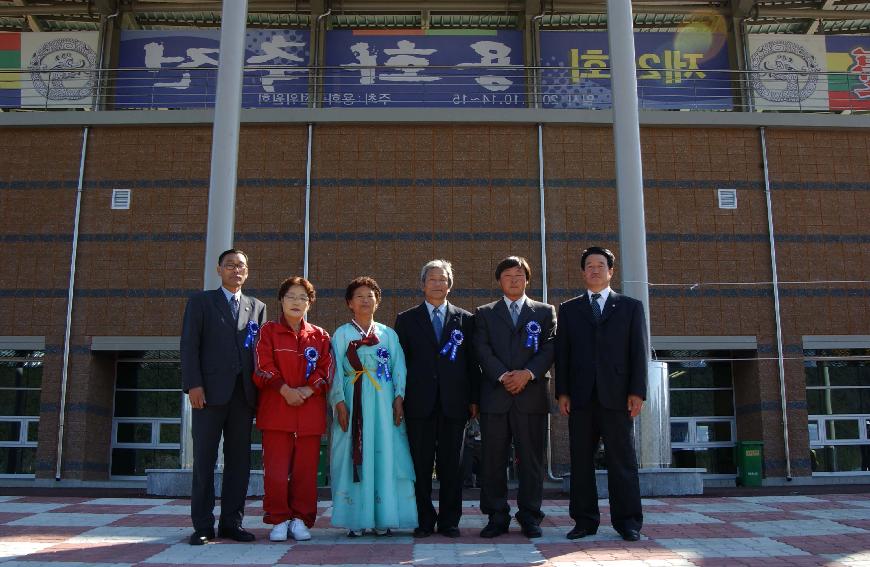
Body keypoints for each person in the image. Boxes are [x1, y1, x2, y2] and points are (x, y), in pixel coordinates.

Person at [555, 246, 648, 542]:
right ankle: (584, 521)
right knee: (581, 461)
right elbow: (563, 354)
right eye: (589, 265)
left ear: (611, 272)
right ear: (583, 273)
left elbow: (638, 352)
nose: (595, 269)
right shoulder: (569, 309)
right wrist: (562, 392)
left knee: (622, 460)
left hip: (618, 395)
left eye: (600, 265)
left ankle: (628, 522)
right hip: (580, 397)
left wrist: (637, 391)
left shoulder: (630, 307)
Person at [180, 248, 268, 545]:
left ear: (248, 271)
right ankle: (203, 525)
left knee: (239, 463)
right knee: (204, 461)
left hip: (243, 397)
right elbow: (189, 346)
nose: (236, 270)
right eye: (229, 265)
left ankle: (232, 523)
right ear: (219, 270)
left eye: (241, 265)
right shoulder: (201, 302)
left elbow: (259, 354)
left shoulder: (257, 307)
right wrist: (193, 384)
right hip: (207, 395)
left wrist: (260, 394)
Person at [395, 259, 481, 538]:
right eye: (432, 279)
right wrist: (399, 399)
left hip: (455, 404)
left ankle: (449, 521)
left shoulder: (466, 320)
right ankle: (423, 519)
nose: (437, 284)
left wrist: (474, 399)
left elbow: (472, 364)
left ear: (450, 284)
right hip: (419, 404)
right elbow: (400, 364)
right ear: (422, 284)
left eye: (442, 279)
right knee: (420, 466)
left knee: (451, 467)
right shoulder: (406, 320)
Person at [473, 256, 556, 539]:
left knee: (531, 460)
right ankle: (496, 516)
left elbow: (549, 348)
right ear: (499, 280)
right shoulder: (484, 313)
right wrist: (503, 376)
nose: (514, 279)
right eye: (508, 274)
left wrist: (527, 374)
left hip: (530, 396)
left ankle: (530, 516)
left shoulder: (545, 312)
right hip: (496, 396)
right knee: (493, 460)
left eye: (519, 274)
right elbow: (481, 349)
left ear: (527, 280)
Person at [329, 276, 417, 536]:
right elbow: (333, 370)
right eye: (359, 296)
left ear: (377, 301)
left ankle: (384, 516)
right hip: (353, 399)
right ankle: (356, 518)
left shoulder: (388, 334)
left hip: (383, 402)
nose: (365, 300)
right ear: (349, 303)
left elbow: (398, 366)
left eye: (370, 296)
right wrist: (338, 402)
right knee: (353, 455)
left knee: (386, 454)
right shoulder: (342, 334)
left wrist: (399, 397)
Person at [252, 277, 333, 542]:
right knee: (275, 471)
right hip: (277, 411)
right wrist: (285, 390)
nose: (297, 302)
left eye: (303, 298)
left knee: (306, 472)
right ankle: (278, 518)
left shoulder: (320, 335)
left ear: (310, 303)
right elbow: (263, 365)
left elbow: (326, 369)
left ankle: (301, 519)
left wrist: (308, 390)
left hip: (309, 413)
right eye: (291, 296)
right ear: (281, 300)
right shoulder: (269, 331)